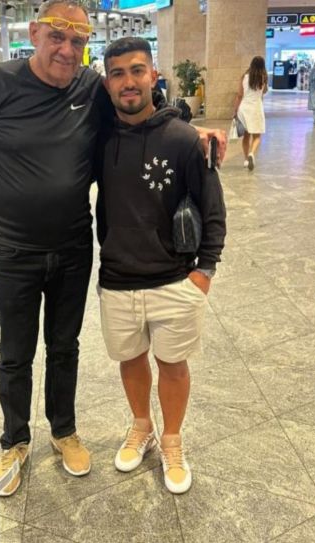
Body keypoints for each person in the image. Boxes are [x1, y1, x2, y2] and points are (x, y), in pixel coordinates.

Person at [0, 0, 227, 497]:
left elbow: (138, 105)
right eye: (57, 36)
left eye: (78, 41)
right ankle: (15, 440)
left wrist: (193, 132)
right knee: (15, 352)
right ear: (34, 33)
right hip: (12, 249)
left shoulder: (89, 87)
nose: (66, 49)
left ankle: (63, 431)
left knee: (65, 347)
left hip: (73, 247)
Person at [95, 37, 226, 494]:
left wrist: (203, 273)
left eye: (137, 70)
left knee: (173, 365)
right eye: (117, 73)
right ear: (107, 83)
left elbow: (213, 210)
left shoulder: (184, 139)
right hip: (117, 278)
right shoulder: (99, 138)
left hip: (174, 279)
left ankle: (171, 438)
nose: (128, 82)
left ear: (154, 75)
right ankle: (142, 426)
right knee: (130, 360)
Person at [234, 56, 268, 171]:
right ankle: (252, 153)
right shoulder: (263, 77)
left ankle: (245, 159)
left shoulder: (244, 77)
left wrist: (235, 110)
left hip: (244, 108)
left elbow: (239, 95)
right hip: (256, 108)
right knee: (257, 136)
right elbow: (264, 92)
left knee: (246, 136)